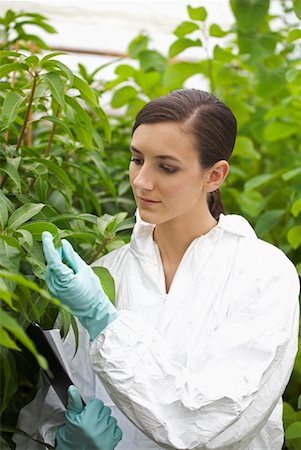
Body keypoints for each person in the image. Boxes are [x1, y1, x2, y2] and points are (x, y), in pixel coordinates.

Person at [14, 89, 299, 450]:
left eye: (166, 167)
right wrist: (64, 441)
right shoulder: (102, 277)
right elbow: (47, 415)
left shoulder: (264, 275)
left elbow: (210, 423)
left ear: (214, 176)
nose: (141, 181)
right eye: (137, 159)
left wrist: (105, 322)